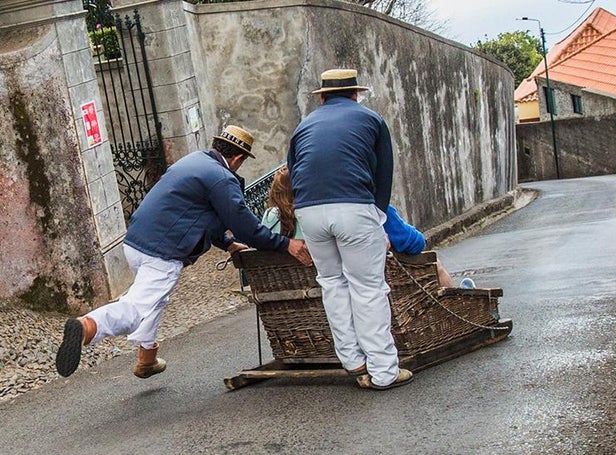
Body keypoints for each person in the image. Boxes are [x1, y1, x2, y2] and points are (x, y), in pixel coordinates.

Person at [55, 125, 312, 379]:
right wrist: (285, 244)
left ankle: (147, 359)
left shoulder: (193, 161)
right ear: (238, 158)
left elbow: (201, 216)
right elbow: (244, 225)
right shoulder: (222, 178)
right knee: (136, 309)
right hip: (163, 251)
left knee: (154, 299)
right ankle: (88, 326)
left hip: (135, 242)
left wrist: (227, 244)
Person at [287, 68, 412, 390]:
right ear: (355, 94)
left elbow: (293, 170)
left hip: (309, 211)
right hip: (353, 207)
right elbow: (383, 174)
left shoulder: (304, 126)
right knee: (368, 288)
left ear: (323, 96)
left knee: (331, 283)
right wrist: (379, 219)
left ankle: (353, 362)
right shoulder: (371, 119)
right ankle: (384, 371)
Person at [263, 166, 457, 288]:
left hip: (295, 292)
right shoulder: (359, 206)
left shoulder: (271, 218)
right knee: (434, 264)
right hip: (362, 281)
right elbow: (416, 243)